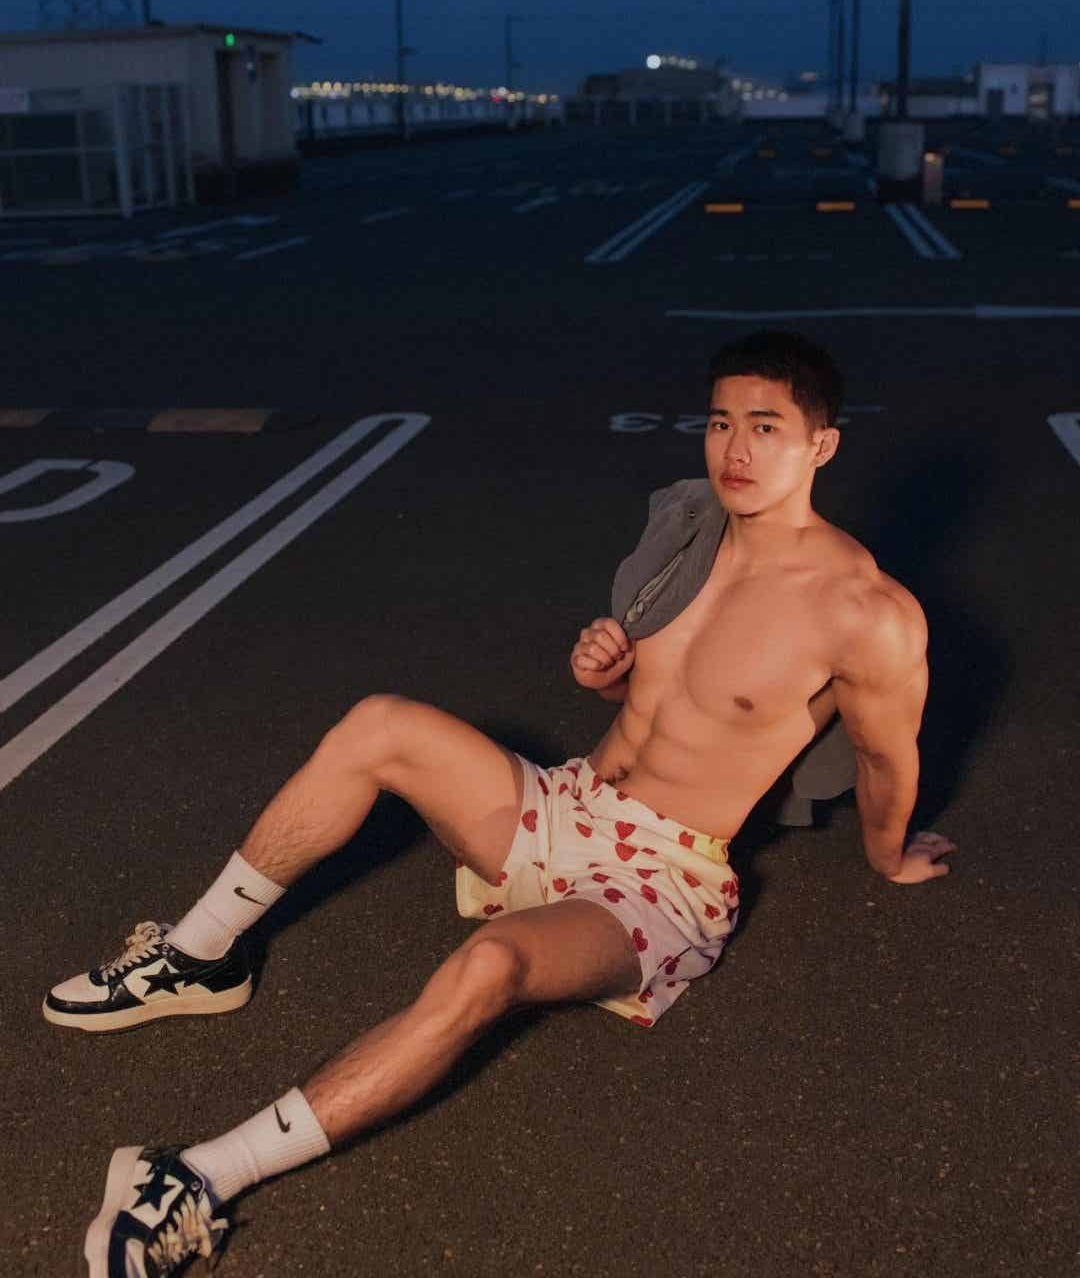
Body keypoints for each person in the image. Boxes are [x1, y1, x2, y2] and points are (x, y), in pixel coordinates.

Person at [47, 330, 957, 1278]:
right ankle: (199, 957)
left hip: (658, 881)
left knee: (488, 966)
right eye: (721, 421)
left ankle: (201, 1177)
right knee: (379, 724)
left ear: (821, 445)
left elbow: (885, 757)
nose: (735, 448)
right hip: (570, 800)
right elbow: (672, 702)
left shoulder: (866, 613)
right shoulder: (693, 532)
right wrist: (606, 677)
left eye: (766, 427)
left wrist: (889, 857)